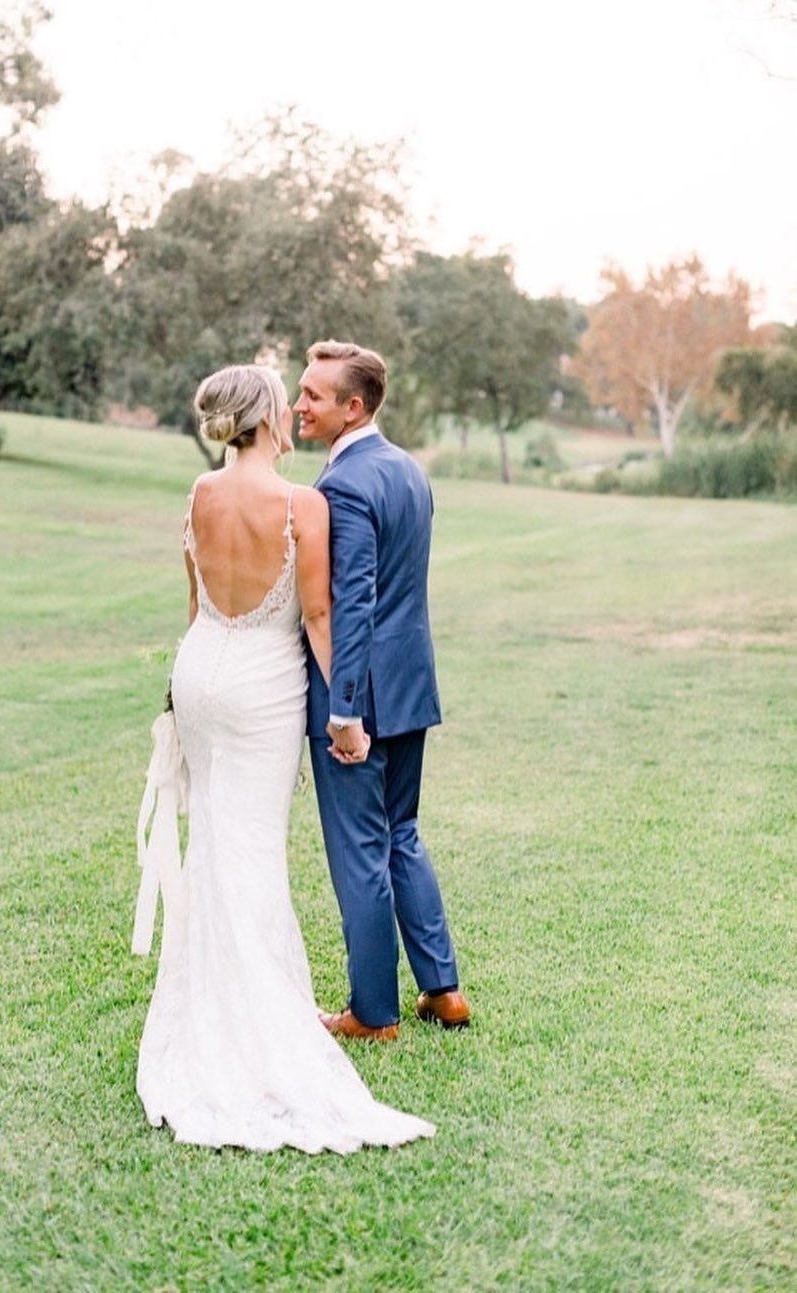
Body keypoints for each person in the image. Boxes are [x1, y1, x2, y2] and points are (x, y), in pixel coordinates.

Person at [135, 363, 435, 1154]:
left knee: (213, 847)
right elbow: (320, 611)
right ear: (268, 413)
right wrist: (347, 712)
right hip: (265, 685)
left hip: (199, 671)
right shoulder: (302, 503)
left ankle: (209, 1002)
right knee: (254, 850)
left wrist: (190, 675)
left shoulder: (201, 493)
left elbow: (194, 600)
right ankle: (259, 1017)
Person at [294, 340, 471, 1041]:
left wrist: (343, 709)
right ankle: (444, 989)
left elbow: (355, 602)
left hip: (361, 698)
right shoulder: (409, 471)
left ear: (352, 406)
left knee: (362, 849)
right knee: (403, 834)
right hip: (410, 685)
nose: (299, 403)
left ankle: (372, 1011)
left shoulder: (341, 486)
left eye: (313, 394)